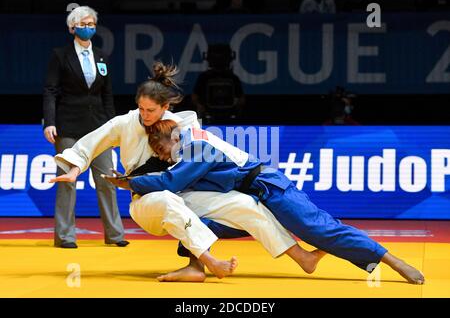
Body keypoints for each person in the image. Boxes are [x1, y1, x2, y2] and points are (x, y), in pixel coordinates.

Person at [48, 61, 306, 282]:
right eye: (141, 109)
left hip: (180, 190)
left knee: (245, 203)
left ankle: (301, 256)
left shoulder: (182, 124)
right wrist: (74, 169)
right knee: (167, 198)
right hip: (145, 201)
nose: (145, 116)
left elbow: (205, 149)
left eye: (151, 110)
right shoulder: (124, 124)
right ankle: (207, 262)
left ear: (165, 107)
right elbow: (93, 141)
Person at [116, 119, 425, 285]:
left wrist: (130, 182)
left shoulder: (196, 147)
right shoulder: (185, 148)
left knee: (318, 229)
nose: (161, 155)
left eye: (160, 147)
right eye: (155, 152)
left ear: (173, 136)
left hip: (270, 188)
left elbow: (171, 182)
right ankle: (195, 266)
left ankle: (390, 260)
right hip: (250, 196)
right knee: (198, 221)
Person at [43, 6, 128, 249]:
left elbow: (107, 94)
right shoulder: (60, 55)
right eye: (83, 24)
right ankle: (65, 237)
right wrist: (49, 122)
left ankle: (114, 234)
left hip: (99, 127)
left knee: (107, 180)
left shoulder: (102, 56)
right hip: (68, 126)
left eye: (91, 24)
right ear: (72, 27)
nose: (88, 28)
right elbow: (50, 91)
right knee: (67, 181)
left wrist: (114, 126)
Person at [191, 44, 245, 124]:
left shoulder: (233, 78)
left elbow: (241, 99)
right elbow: (194, 97)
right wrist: (200, 107)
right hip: (207, 115)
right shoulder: (204, 77)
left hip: (229, 115)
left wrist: (237, 106)